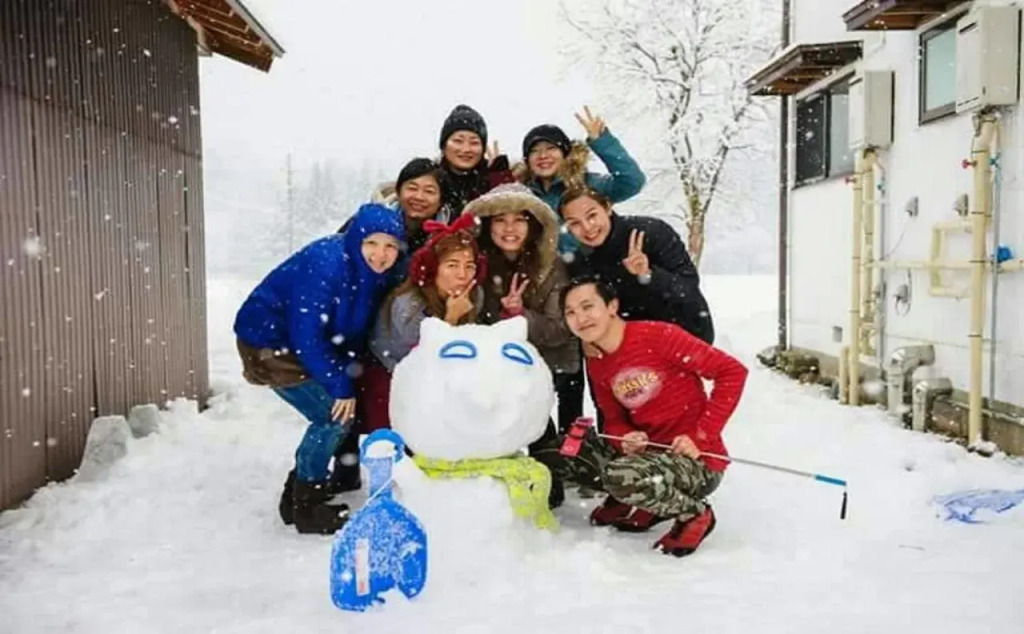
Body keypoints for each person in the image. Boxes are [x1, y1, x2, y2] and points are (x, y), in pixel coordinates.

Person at [531, 276, 748, 557]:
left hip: (697, 462)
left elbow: (732, 372)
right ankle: (634, 499)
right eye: (570, 312)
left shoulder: (659, 336)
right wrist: (625, 438)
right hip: (645, 458)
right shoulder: (597, 361)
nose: (580, 318)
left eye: (587, 306)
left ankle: (694, 514)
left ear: (612, 306)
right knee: (560, 452)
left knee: (622, 475)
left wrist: (701, 436)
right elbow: (613, 420)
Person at [234, 203, 405, 535]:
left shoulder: (374, 274)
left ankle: (296, 496)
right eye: (371, 243)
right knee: (332, 416)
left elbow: (350, 328)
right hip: (269, 344)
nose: (381, 254)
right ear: (355, 240)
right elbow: (307, 333)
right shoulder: (326, 264)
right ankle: (307, 506)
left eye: (390, 246)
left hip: (303, 345)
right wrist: (340, 385)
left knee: (340, 413)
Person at [520, 108, 647, 437]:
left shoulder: (586, 185)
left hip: (591, 288)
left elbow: (632, 181)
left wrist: (602, 141)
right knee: (560, 376)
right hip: (547, 292)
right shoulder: (525, 194)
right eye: (535, 150)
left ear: (565, 153)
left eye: (550, 148)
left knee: (601, 375)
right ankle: (557, 446)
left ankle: (607, 442)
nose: (543, 155)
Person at [464, 183, 580, 508]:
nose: (510, 229)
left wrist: (519, 316)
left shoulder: (552, 267)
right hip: (490, 360)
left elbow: (560, 329)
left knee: (534, 414)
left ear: (534, 226)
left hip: (543, 359)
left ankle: (549, 479)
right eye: (500, 220)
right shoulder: (474, 264)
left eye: (519, 220)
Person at [358, 214, 487, 432]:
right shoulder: (408, 306)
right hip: (392, 373)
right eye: (452, 265)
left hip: (444, 376)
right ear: (433, 268)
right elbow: (426, 362)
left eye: (470, 266)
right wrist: (451, 318)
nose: (462, 275)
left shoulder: (475, 294)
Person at [560, 189, 715, 344]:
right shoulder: (579, 262)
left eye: (592, 216)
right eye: (575, 223)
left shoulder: (651, 233)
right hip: (627, 344)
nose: (587, 227)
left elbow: (688, 288)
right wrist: (589, 341)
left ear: (607, 208)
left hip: (685, 334)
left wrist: (648, 274)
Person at [436, 104, 515, 220]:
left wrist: (500, 175)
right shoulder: (431, 179)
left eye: (474, 143)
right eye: (458, 141)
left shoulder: (493, 177)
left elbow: (511, 214)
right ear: (443, 146)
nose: (466, 149)